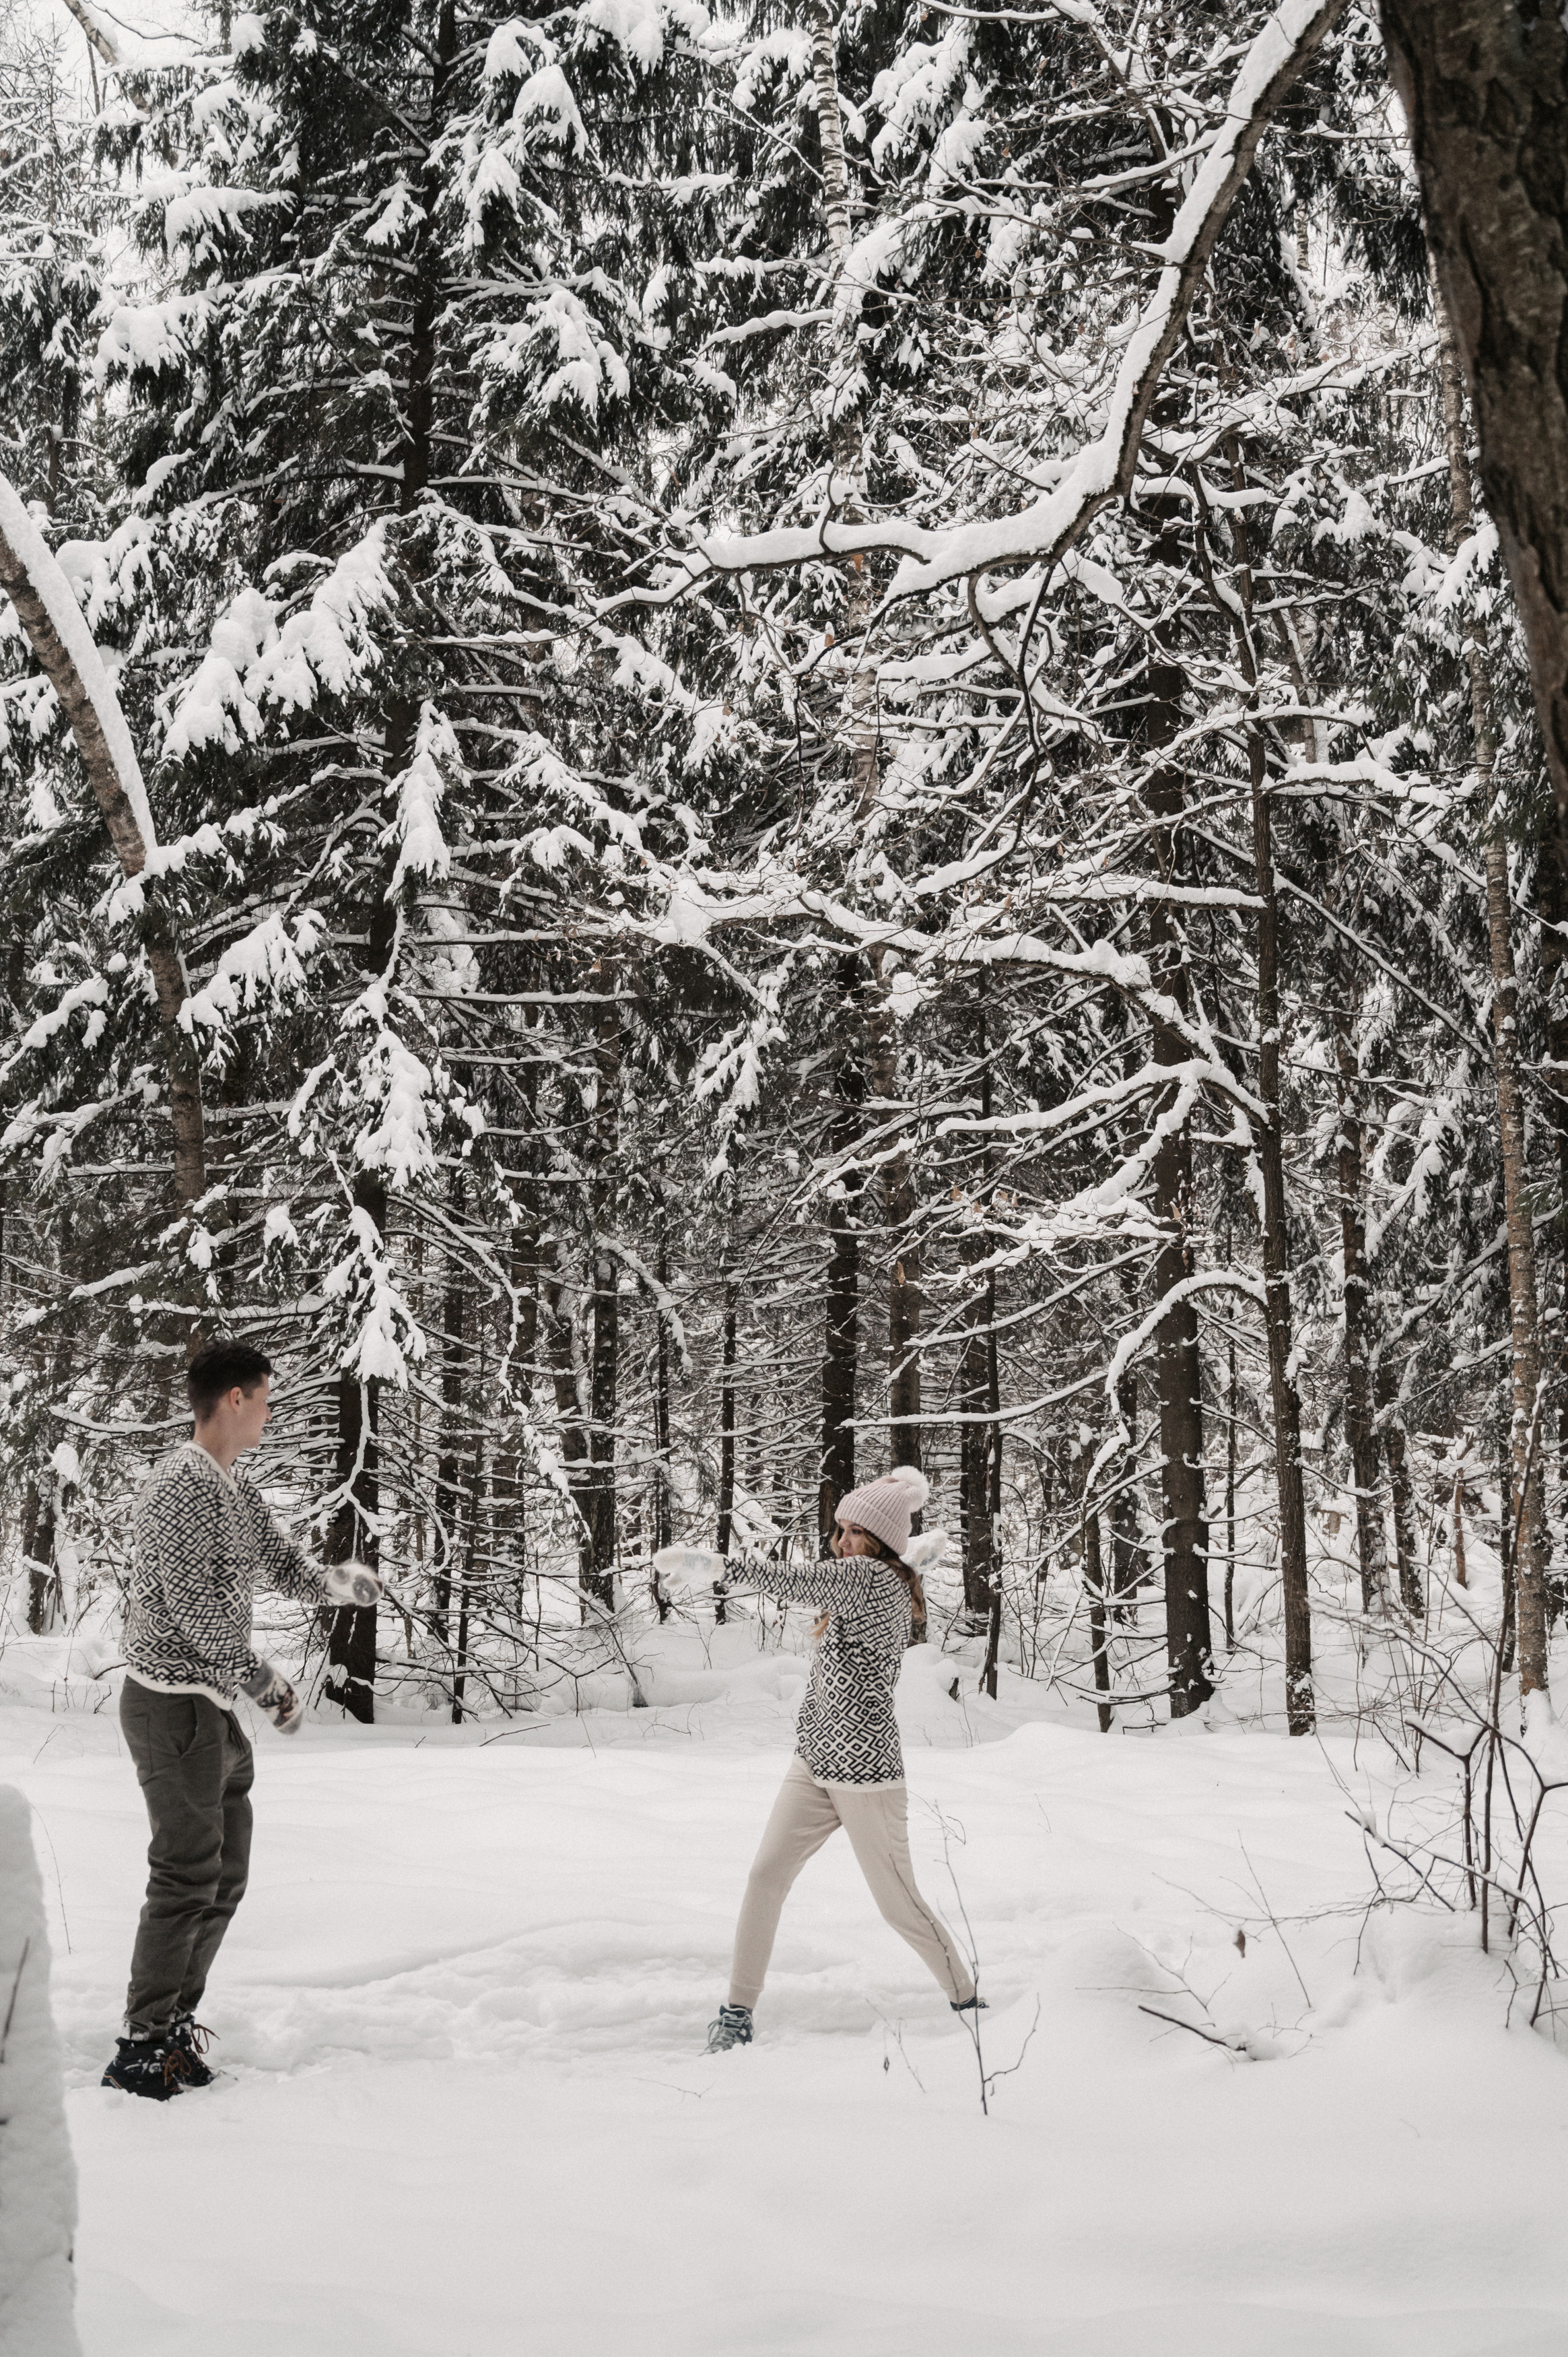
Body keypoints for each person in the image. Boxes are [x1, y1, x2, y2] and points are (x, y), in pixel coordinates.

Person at [100, 1340, 382, 2100]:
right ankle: (140, 2041)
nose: (269, 1409)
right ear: (233, 1398)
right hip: (172, 1703)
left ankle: (170, 2027)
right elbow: (191, 1610)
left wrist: (336, 1585)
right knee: (185, 1872)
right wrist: (262, 1680)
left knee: (223, 1874)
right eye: (264, 1396)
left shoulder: (228, 1482)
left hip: (209, 1708)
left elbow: (280, 1563)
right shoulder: (181, 1485)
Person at [656, 1465, 982, 2053]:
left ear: (879, 1542)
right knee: (765, 1876)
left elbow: (794, 1580)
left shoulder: (863, 1578)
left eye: (858, 1532)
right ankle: (736, 2011)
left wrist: (716, 1567)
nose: (844, 1542)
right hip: (814, 1758)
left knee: (898, 1904)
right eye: (842, 1531)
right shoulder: (880, 1575)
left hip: (864, 1774)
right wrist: (916, 1555)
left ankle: (966, 1999)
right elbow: (874, 1574)